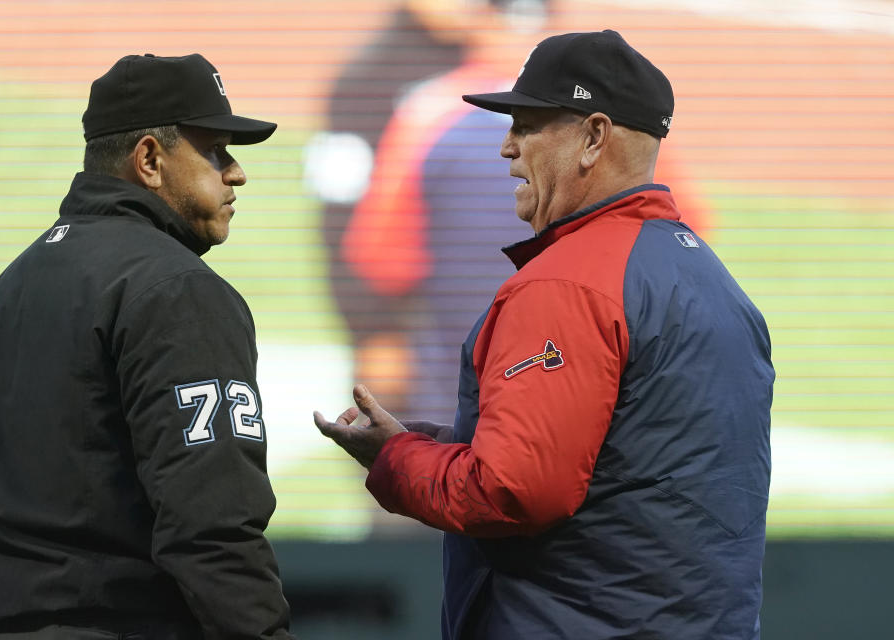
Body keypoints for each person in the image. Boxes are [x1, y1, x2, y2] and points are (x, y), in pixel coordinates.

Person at [316, 30, 774, 640]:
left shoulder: (566, 284)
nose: (506, 146)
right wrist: (438, 441)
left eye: (527, 125)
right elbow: (624, 460)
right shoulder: (711, 278)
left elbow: (513, 492)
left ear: (593, 138)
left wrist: (396, 461)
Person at [0, 54, 294, 639]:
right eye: (216, 149)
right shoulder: (176, 289)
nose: (236, 171)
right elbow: (212, 526)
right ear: (149, 160)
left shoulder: (14, 282)